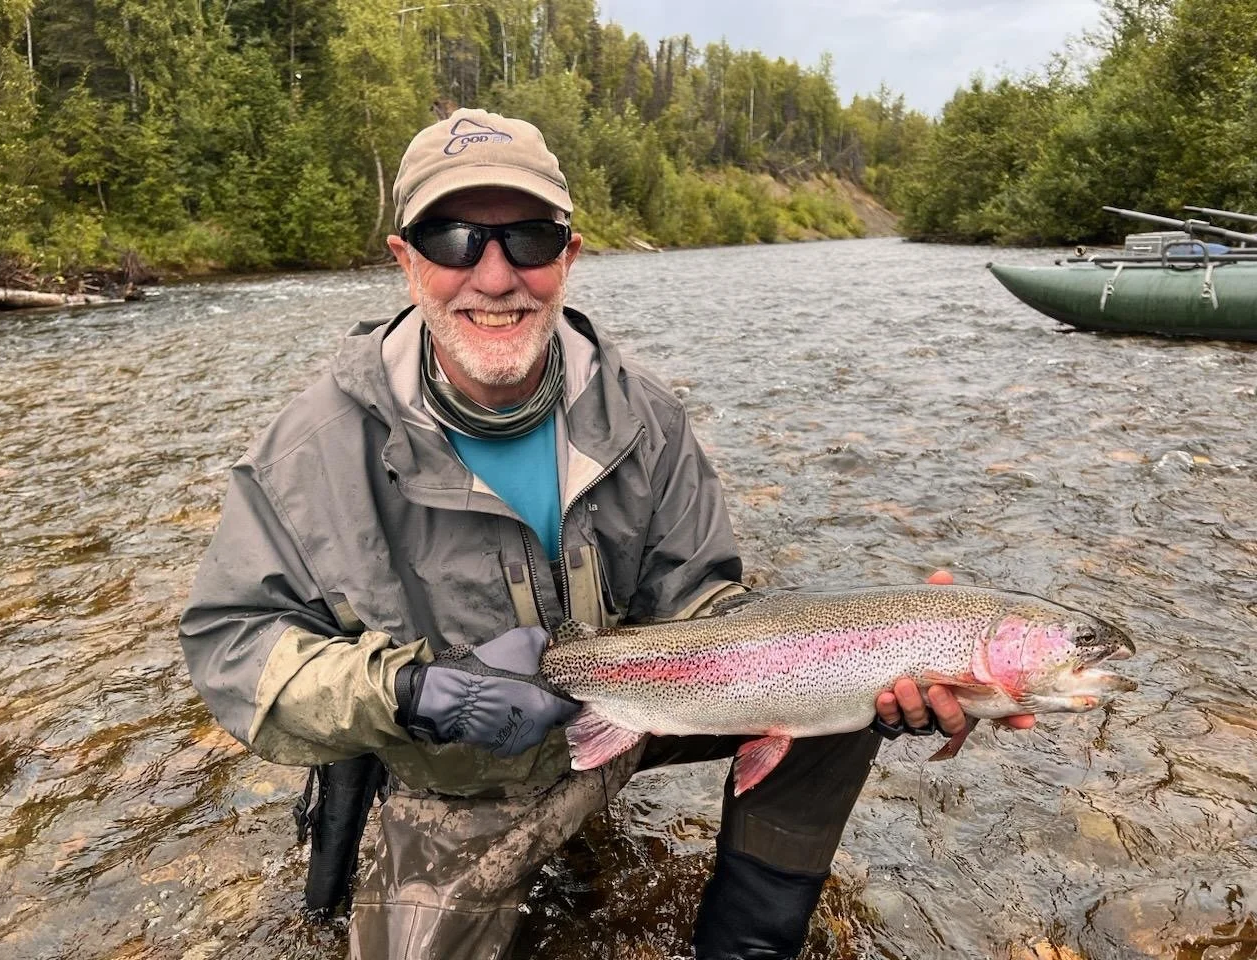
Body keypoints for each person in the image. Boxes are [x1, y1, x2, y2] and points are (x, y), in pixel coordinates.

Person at [178, 107, 1034, 960]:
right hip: (463, 777)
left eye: (529, 239)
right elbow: (233, 647)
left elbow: (705, 600)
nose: (495, 273)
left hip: (649, 701)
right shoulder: (310, 450)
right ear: (406, 260)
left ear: (570, 256)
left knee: (842, 698)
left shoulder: (645, 418)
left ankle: (745, 949)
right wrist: (416, 694)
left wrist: (893, 649)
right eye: (453, 238)